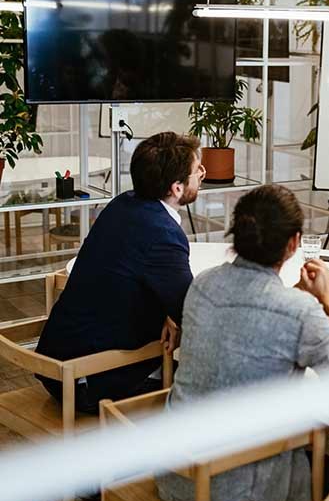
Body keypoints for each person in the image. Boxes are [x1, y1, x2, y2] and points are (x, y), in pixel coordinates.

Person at [156, 184, 329, 501]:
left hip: (175, 472)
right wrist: (328, 300)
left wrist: (300, 295)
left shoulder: (203, 283)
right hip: (233, 490)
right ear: (293, 244)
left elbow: (249, 317)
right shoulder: (299, 311)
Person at [36, 132, 203, 413]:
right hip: (87, 381)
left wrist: (168, 313)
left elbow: (133, 277)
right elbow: (194, 313)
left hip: (57, 364)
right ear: (176, 188)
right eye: (197, 170)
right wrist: (175, 314)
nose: (202, 174)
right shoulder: (163, 234)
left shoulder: (123, 203)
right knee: (207, 383)